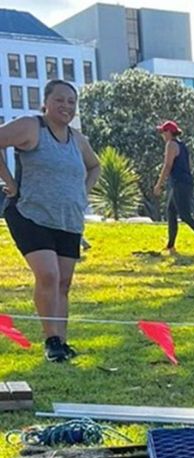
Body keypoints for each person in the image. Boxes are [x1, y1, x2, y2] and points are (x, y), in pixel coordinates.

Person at [0, 80, 101, 362]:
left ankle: (62, 341)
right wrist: (8, 182)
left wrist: (83, 190)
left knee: (64, 282)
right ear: (46, 101)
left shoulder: (77, 138)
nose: (66, 106)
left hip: (68, 220)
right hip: (30, 214)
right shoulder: (32, 126)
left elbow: (95, 166)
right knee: (49, 275)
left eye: (71, 101)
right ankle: (51, 339)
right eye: (60, 100)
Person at [153, 120, 194, 256]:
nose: (162, 135)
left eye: (163, 132)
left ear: (169, 132)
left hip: (179, 183)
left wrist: (159, 184)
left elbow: (167, 166)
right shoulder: (182, 146)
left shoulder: (171, 144)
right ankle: (170, 245)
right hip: (183, 182)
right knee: (170, 212)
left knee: (185, 215)